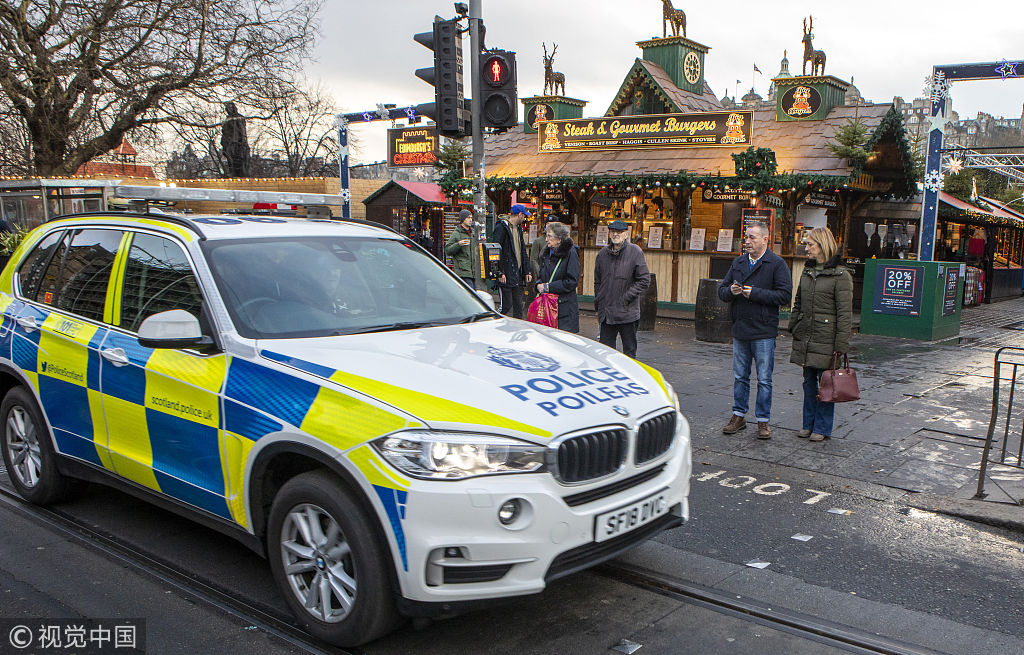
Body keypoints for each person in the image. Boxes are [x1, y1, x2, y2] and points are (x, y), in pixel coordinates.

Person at [717, 220, 793, 439]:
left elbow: (785, 296)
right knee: (740, 376)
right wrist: (731, 291)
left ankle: (762, 420)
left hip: (763, 331)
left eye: (752, 237)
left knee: (764, 379)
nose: (747, 241)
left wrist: (755, 293)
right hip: (740, 329)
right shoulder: (738, 263)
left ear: (765, 239)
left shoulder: (776, 264)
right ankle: (738, 415)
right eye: (746, 237)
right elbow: (721, 292)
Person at [789, 227, 853, 442]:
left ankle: (822, 428)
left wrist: (841, 343)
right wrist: (794, 325)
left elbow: (845, 314)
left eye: (810, 244)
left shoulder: (841, 275)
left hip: (827, 339)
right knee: (808, 383)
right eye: (806, 244)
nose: (806, 248)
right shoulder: (808, 271)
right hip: (807, 336)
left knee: (826, 385)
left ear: (822, 245)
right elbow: (798, 302)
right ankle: (808, 424)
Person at [594, 219, 650, 358]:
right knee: (605, 354)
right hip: (607, 314)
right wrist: (599, 303)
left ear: (626, 234)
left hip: (627, 313)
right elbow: (597, 282)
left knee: (629, 353)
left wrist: (626, 298)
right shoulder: (602, 254)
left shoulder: (635, 252)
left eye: (619, 232)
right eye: (613, 231)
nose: (615, 235)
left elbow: (644, 280)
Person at [535, 221, 580, 333]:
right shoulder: (546, 253)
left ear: (559, 239)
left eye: (549, 236)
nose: (546, 239)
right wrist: (538, 285)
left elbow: (571, 281)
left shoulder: (571, 253)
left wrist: (548, 287)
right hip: (547, 308)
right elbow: (541, 275)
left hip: (564, 311)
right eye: (546, 236)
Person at [493, 204, 532, 318]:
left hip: (517, 273)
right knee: (506, 305)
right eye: (524, 216)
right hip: (506, 272)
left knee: (518, 306)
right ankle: (495, 321)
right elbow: (496, 250)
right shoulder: (501, 227)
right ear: (520, 214)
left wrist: (526, 271)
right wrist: (500, 271)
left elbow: (522, 250)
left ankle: (516, 331)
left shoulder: (518, 228)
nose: (524, 218)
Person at [445, 209, 475, 288]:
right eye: (468, 218)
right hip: (463, 271)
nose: (470, 220)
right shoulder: (456, 233)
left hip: (474, 271)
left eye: (471, 218)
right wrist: (458, 244)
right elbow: (448, 250)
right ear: (463, 219)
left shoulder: (473, 233)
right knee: (470, 293)